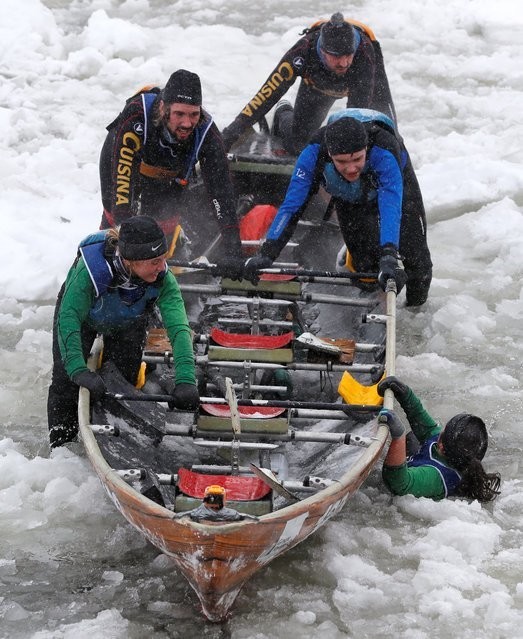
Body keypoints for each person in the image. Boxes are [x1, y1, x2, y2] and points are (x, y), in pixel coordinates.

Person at [243, 109, 433, 306]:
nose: (351, 168)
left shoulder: (383, 151)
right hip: (348, 193)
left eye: (357, 159)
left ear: (366, 150)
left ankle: (414, 311)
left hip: (393, 189)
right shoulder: (313, 154)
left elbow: (391, 208)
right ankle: (368, 290)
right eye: (342, 161)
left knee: (419, 264)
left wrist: (389, 255)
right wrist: (267, 254)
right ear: (330, 155)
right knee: (366, 271)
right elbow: (291, 207)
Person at [47, 216, 200, 449]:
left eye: (163, 259)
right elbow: (69, 318)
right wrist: (78, 369)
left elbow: (179, 329)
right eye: (154, 261)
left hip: (128, 321)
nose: (162, 268)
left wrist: (186, 380)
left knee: (121, 383)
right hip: (84, 318)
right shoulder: (90, 272)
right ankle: (61, 447)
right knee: (65, 383)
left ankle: (114, 440)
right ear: (130, 261)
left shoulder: (162, 279)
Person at [99, 69, 243, 277]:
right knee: (118, 223)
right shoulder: (138, 116)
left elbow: (221, 191)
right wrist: (126, 240)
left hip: (166, 170)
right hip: (123, 159)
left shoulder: (206, 131)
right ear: (163, 108)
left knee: (164, 222)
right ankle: (106, 266)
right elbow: (122, 186)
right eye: (179, 114)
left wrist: (233, 248)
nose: (187, 123)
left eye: (194, 114)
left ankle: (159, 275)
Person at [222, 12, 397, 156]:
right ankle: (283, 113)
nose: (344, 63)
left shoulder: (363, 56)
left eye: (347, 55)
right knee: (298, 145)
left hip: (367, 79)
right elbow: (266, 95)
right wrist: (229, 135)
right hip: (319, 81)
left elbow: (357, 116)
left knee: (388, 140)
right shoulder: (303, 52)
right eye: (336, 56)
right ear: (322, 50)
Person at [377, 376, 501, 501]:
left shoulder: (436, 477)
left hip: (407, 486)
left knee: (405, 440)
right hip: (425, 466)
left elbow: (398, 485)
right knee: (413, 437)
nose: (440, 430)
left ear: (441, 445)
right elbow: (424, 424)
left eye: (444, 429)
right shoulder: (452, 450)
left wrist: (398, 436)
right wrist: (404, 393)